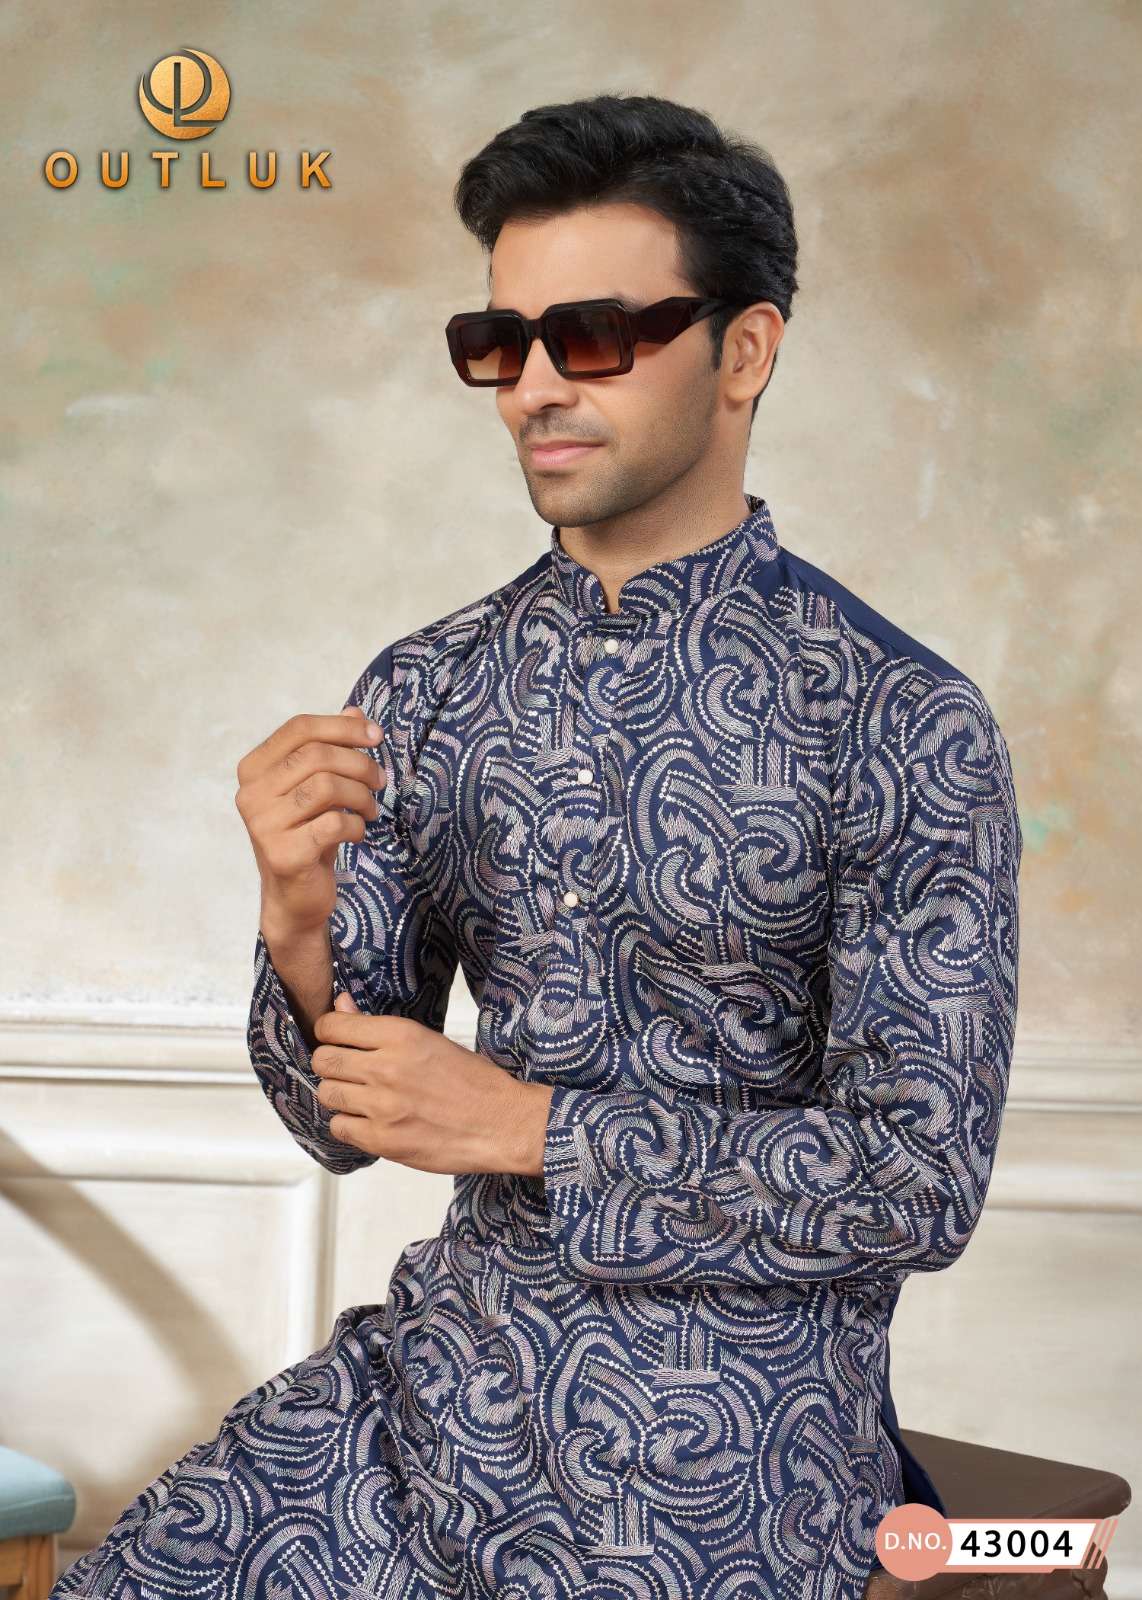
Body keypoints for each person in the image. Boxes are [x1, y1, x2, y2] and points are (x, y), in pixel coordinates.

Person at [51, 92, 1022, 1600]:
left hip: (726, 1452)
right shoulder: (431, 688)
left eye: (596, 336)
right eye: (500, 343)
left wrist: (530, 1130)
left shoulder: (900, 719)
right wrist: (295, 915)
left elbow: (916, 1179)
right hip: (431, 1399)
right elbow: (340, 1119)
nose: (534, 389)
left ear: (744, 351)